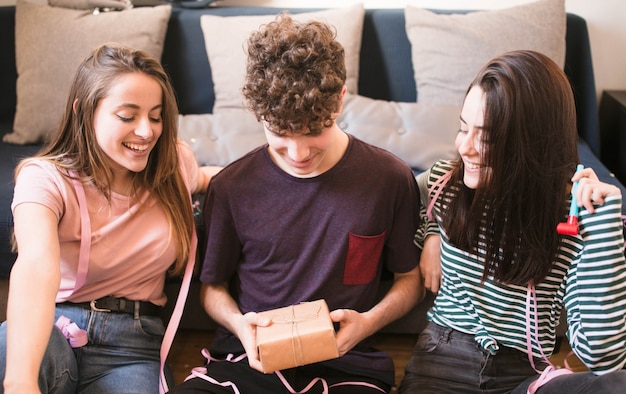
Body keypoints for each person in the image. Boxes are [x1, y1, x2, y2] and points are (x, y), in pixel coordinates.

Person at [170, 14, 424, 394]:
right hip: (246, 362)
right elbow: (212, 287)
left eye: (313, 132)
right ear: (259, 116)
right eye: (280, 133)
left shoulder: (389, 179)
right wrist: (241, 326)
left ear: (340, 100)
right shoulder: (230, 187)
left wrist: (368, 323)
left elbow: (410, 281)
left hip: (348, 364)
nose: (298, 153)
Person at [399, 50, 626, 394]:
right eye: (463, 128)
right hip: (444, 359)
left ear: (532, 144)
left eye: (487, 138)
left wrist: (605, 225)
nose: (466, 147)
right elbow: (384, 195)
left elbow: (603, 357)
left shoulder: (574, 215)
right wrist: (431, 229)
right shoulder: (444, 183)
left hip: (525, 374)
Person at [0, 43, 221, 393]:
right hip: (55, 326)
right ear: (83, 112)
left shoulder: (174, 166)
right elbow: (35, 266)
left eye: (155, 115)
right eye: (127, 116)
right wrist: (20, 382)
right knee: (10, 347)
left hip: (132, 346)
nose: (147, 131)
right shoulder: (44, 178)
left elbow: (213, 177)